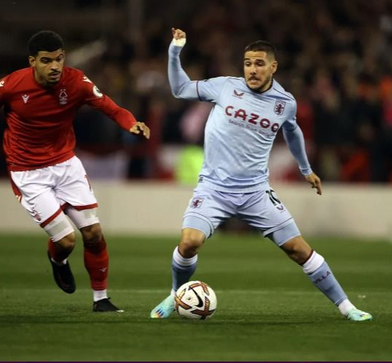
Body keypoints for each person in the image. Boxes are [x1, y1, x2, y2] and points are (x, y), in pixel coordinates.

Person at [149, 28, 372, 322]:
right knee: (189, 242)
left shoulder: (285, 103)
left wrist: (306, 169)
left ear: (273, 67)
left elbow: (293, 131)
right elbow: (180, 89)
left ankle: (347, 307)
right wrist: (175, 51)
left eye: (259, 63)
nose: (252, 70)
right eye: (247, 63)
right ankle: (176, 295)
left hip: (255, 192)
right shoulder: (225, 87)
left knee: (298, 249)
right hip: (213, 189)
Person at [0, 30, 150, 312]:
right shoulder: (11, 85)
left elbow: (111, 108)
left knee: (93, 234)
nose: (55, 66)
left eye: (59, 59)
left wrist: (131, 123)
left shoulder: (77, 81)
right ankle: (58, 260)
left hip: (66, 165)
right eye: (47, 61)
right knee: (66, 240)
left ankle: (101, 300)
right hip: (28, 173)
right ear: (33, 62)